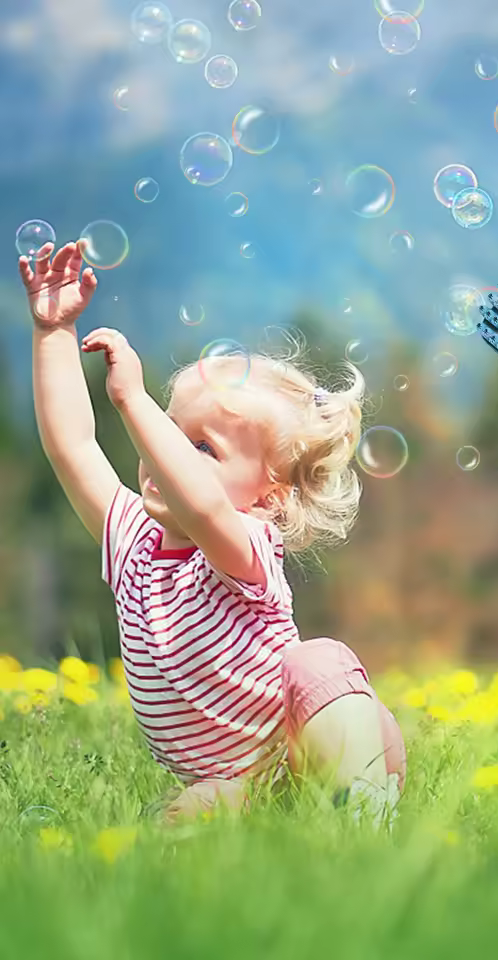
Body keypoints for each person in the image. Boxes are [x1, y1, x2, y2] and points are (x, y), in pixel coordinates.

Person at [20, 240, 406, 826]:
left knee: (318, 659)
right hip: (255, 779)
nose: (163, 450)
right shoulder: (133, 541)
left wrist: (134, 401)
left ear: (267, 496)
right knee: (178, 822)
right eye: (171, 431)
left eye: (201, 447)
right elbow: (72, 446)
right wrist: (53, 333)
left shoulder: (241, 548)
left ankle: (362, 812)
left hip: (329, 742)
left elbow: (202, 509)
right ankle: (289, 819)